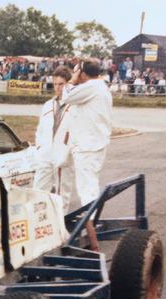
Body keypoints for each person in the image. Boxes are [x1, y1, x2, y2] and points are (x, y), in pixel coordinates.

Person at [61, 58, 113, 251]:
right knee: (88, 188)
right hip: (92, 145)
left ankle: (93, 243)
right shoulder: (100, 87)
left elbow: (66, 95)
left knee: (86, 190)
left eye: (77, 72)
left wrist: (72, 79)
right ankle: (92, 236)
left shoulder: (91, 86)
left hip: (88, 147)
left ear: (82, 73)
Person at [33, 66, 74, 214]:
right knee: (38, 191)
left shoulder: (74, 106)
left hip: (63, 155)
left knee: (62, 193)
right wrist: (39, 148)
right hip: (45, 154)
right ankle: (38, 222)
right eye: (55, 84)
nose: (58, 88)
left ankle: (60, 227)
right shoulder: (47, 105)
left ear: (68, 84)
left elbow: (76, 132)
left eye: (61, 84)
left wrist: (68, 152)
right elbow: (40, 130)